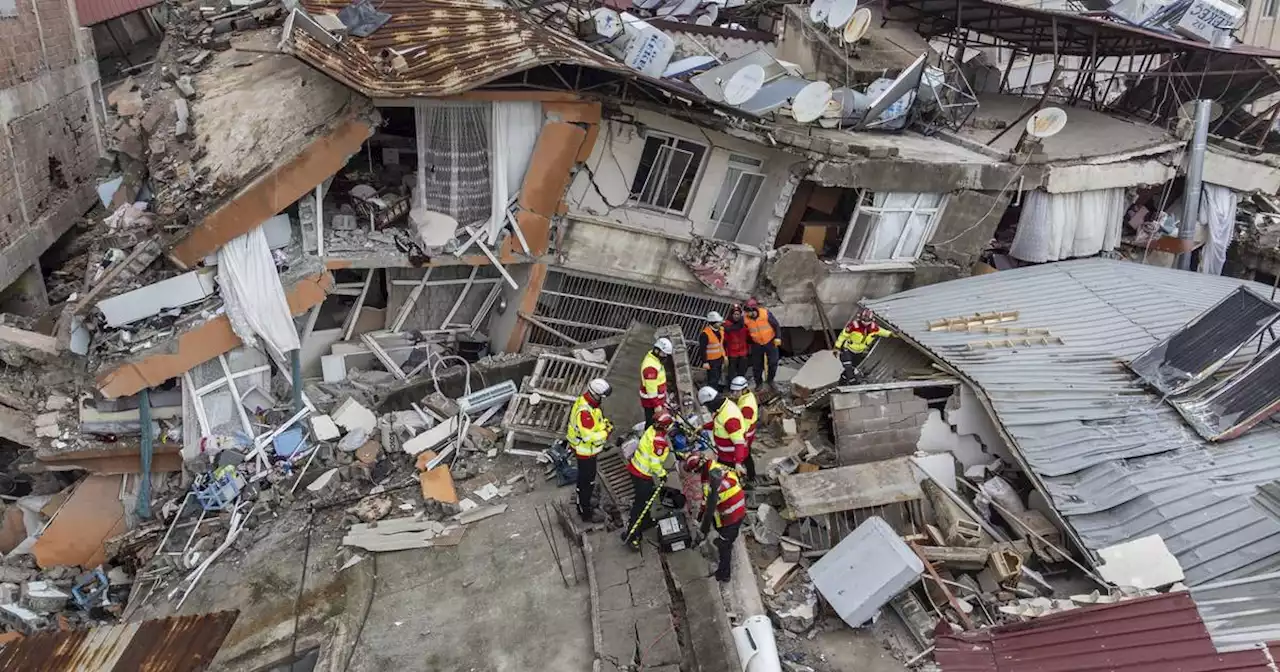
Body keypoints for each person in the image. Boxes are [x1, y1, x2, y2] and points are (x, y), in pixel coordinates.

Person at [686, 452, 747, 582]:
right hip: (732, 508)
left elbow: (709, 508)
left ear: (698, 469)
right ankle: (724, 539)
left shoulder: (714, 486)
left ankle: (724, 574)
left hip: (731, 516)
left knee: (725, 548)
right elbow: (706, 502)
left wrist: (702, 529)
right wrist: (699, 517)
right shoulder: (716, 468)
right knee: (721, 530)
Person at [621, 409, 674, 551]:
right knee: (640, 505)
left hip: (637, 470)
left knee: (646, 498)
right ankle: (632, 535)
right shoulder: (659, 442)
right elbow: (655, 463)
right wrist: (662, 474)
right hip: (642, 474)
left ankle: (644, 523)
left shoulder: (651, 429)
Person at [566, 378, 613, 523]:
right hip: (585, 451)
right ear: (594, 394)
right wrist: (606, 433)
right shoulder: (584, 413)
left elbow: (597, 422)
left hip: (588, 450)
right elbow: (589, 436)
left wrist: (605, 424)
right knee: (586, 482)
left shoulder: (589, 404)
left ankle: (585, 503)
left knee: (588, 480)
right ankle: (585, 512)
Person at [697, 386, 747, 468]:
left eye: (707, 406)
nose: (708, 408)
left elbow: (739, 443)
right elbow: (719, 424)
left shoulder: (730, 418)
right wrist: (703, 427)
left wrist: (738, 463)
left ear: (711, 403)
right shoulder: (723, 407)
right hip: (723, 455)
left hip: (731, 458)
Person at [835, 307, 894, 372]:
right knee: (848, 367)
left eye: (868, 320)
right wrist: (837, 347)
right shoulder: (853, 326)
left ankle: (844, 380)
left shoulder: (874, 327)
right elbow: (843, 336)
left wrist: (892, 334)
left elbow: (883, 332)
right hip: (848, 349)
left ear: (871, 320)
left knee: (852, 369)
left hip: (860, 352)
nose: (865, 322)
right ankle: (851, 380)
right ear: (860, 318)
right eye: (864, 319)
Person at [742, 298, 782, 389]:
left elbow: (776, 325)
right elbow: (744, 332)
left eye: (749, 312)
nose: (747, 314)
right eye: (746, 312)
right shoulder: (745, 319)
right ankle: (758, 384)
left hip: (770, 341)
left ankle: (770, 380)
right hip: (757, 344)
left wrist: (778, 337)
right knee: (757, 365)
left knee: (773, 362)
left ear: (754, 310)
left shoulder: (765, 314)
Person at [727, 376, 758, 481]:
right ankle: (751, 475)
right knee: (747, 454)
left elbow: (744, 425)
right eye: (733, 391)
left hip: (746, 433)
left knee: (745, 454)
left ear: (744, 389)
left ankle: (750, 477)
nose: (734, 394)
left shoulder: (746, 406)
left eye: (736, 391)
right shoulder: (747, 396)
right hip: (749, 431)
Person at [640, 337, 673, 427]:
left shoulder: (655, 360)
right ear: (657, 351)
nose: (665, 356)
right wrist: (657, 405)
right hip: (651, 402)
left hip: (655, 399)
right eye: (664, 354)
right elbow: (651, 389)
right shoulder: (651, 367)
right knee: (652, 424)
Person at [699, 311, 726, 391]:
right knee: (712, 380)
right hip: (711, 361)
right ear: (713, 323)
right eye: (718, 322)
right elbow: (702, 349)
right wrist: (705, 362)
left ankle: (715, 392)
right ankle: (712, 394)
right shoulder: (705, 334)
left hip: (719, 358)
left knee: (717, 377)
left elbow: (721, 344)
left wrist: (724, 356)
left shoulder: (720, 331)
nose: (720, 323)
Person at [724, 305, 750, 384]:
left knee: (742, 370)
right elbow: (724, 339)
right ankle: (731, 386)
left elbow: (749, 336)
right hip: (732, 352)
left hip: (743, 351)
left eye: (738, 314)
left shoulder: (744, 324)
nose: (736, 316)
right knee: (731, 371)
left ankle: (740, 386)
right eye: (734, 314)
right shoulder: (727, 325)